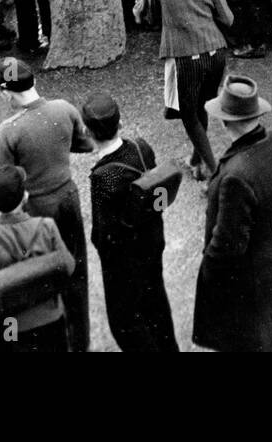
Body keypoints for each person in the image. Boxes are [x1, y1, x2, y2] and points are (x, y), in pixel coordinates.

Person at [191, 75, 272, 353]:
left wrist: (208, 271)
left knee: (253, 340)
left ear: (225, 120)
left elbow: (227, 247)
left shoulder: (236, 176)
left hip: (251, 283)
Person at [0, 58, 95, 352]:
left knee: (41, 277)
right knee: (76, 270)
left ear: (5, 91)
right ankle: (81, 342)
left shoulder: (8, 130)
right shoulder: (63, 108)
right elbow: (85, 144)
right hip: (68, 198)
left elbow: (7, 180)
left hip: (36, 209)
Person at [84, 92, 179, 352]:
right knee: (156, 304)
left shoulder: (103, 176)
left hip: (125, 260)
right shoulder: (141, 147)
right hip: (152, 242)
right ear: (120, 122)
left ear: (87, 131)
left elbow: (103, 234)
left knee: (125, 322)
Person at [144, 0, 233, 180]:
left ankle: (214, 172)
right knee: (202, 105)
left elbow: (151, 19)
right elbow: (227, 18)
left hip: (186, 56)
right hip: (216, 52)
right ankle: (196, 160)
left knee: (188, 114)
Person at [0, 165, 73, 353]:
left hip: (11, 323)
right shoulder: (46, 226)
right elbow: (69, 265)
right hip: (51, 318)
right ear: (24, 196)